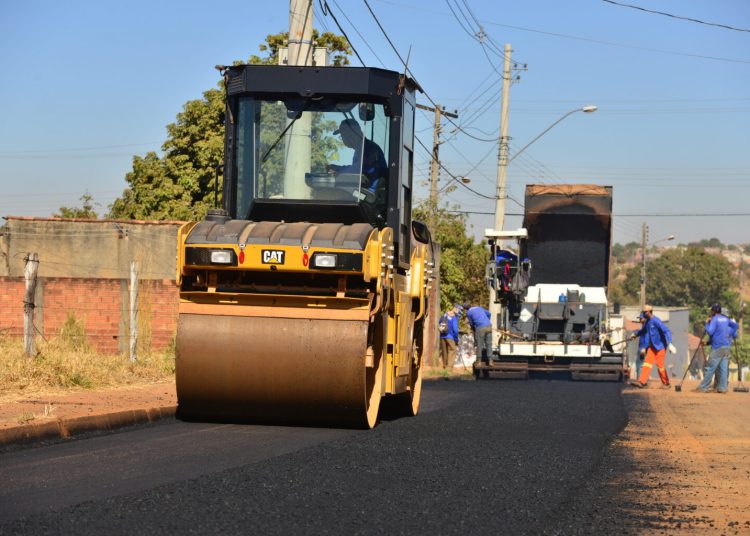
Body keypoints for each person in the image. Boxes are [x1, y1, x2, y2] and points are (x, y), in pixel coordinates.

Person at [327, 118, 387, 191]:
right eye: (342, 136)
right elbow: (357, 167)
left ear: (354, 132)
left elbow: (358, 169)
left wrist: (338, 173)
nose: (343, 139)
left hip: (369, 193)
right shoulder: (363, 147)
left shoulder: (368, 148)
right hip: (363, 190)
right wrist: (337, 168)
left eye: (343, 135)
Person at [696, 303, 739, 394]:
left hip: (717, 348)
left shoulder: (715, 319)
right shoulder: (726, 319)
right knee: (723, 369)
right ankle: (722, 388)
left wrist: (707, 323)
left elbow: (710, 332)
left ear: (714, 311)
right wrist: (729, 333)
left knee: (710, 368)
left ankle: (703, 387)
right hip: (726, 347)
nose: (711, 312)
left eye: (712, 310)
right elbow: (736, 326)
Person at [630, 305, 675, 388]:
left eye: (644, 312)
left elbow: (666, 331)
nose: (643, 314)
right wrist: (635, 334)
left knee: (660, 366)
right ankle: (642, 382)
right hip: (652, 347)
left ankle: (666, 383)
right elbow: (643, 331)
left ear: (649, 312)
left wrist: (670, 343)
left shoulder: (656, 321)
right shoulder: (647, 322)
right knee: (647, 363)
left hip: (661, 347)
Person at [439, 304, 461, 369]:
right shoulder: (454, 318)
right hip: (450, 336)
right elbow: (455, 330)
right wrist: (456, 339)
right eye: (459, 311)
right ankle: (449, 367)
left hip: (442, 336)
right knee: (453, 350)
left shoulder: (445, 314)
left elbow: (439, 322)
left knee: (444, 351)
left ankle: (445, 366)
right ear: (456, 309)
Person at [631, 312, 649, 380]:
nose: (640, 320)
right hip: (641, 347)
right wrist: (635, 334)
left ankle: (641, 380)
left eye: (641, 318)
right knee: (639, 363)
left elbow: (644, 334)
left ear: (645, 318)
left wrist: (644, 348)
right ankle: (641, 379)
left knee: (640, 364)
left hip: (643, 348)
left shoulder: (647, 326)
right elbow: (640, 332)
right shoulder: (644, 325)